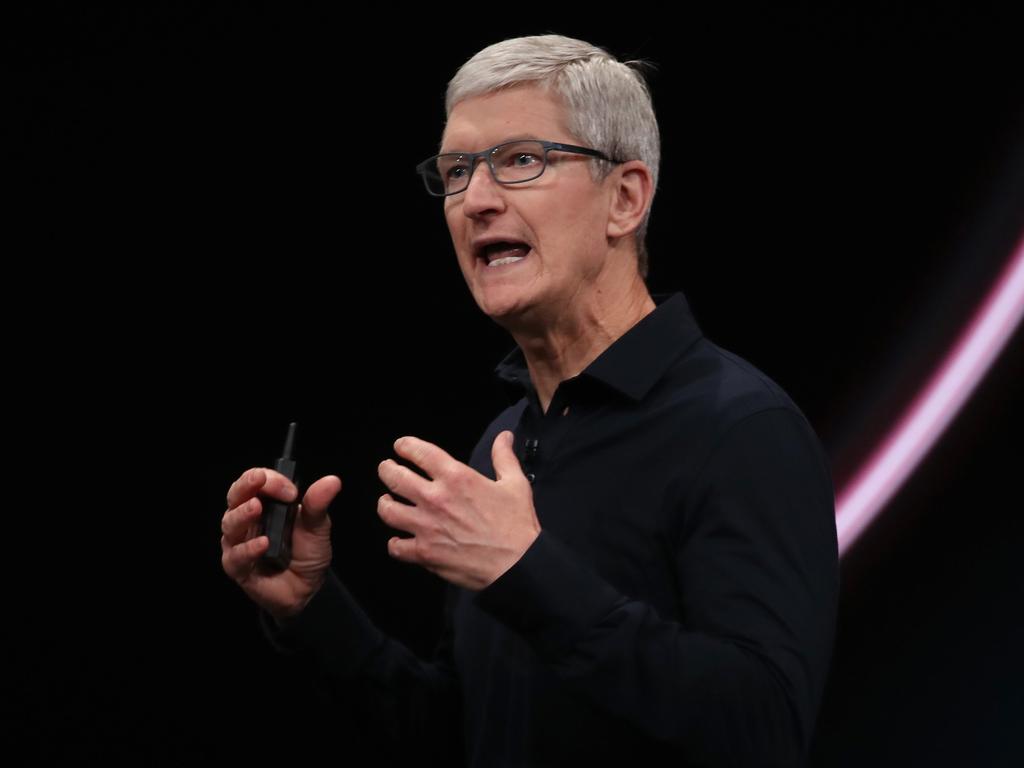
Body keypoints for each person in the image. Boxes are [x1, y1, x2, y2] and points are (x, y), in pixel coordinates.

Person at [220, 34, 839, 766]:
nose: (475, 201)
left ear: (625, 197)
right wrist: (313, 611)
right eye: (456, 172)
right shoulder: (503, 446)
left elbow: (764, 730)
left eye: (521, 160)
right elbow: (467, 738)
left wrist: (528, 571)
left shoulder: (739, 426)